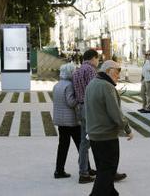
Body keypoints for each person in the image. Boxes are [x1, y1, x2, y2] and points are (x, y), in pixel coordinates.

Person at [85, 60, 133, 196]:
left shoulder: (92, 84)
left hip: (94, 136)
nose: (119, 75)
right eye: (117, 71)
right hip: (106, 137)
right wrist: (127, 129)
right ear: (108, 71)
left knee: (103, 171)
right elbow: (116, 113)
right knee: (107, 172)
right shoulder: (107, 86)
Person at [72, 49, 98, 184]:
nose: (97, 62)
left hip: (80, 107)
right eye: (97, 59)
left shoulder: (77, 71)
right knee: (96, 139)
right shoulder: (91, 70)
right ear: (93, 58)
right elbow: (94, 90)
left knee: (83, 142)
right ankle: (90, 172)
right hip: (90, 107)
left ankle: (84, 170)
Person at [53, 62, 82, 179]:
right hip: (71, 121)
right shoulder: (69, 85)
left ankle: (59, 170)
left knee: (63, 146)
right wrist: (79, 98)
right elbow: (71, 102)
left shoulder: (57, 85)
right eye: (74, 71)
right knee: (81, 146)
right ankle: (87, 168)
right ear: (70, 73)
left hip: (60, 120)